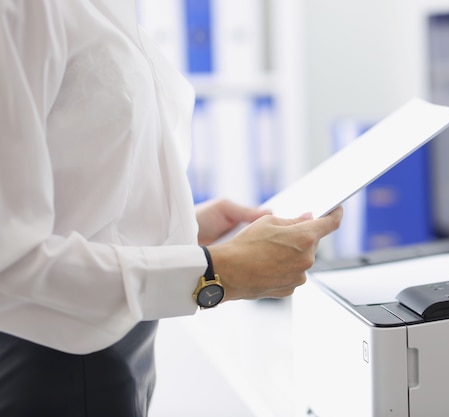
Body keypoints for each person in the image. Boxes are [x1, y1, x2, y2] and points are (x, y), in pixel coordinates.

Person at [0, 2, 343, 416]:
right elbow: (11, 262)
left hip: (116, 346)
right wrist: (217, 270)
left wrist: (179, 227)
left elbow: (70, 184)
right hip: (53, 362)